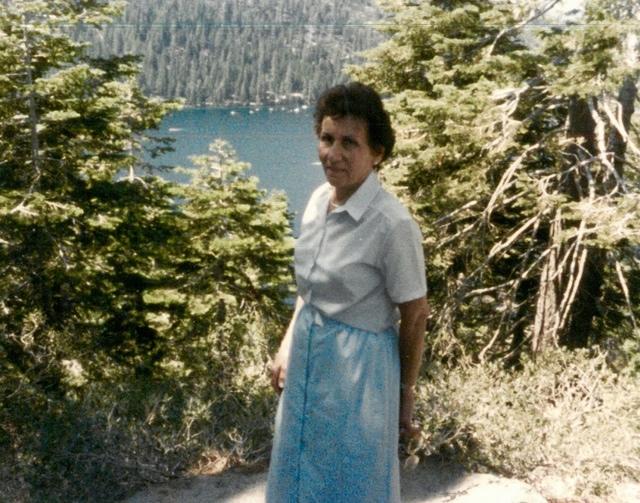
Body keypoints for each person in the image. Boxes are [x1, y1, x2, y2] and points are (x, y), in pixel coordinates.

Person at [266, 82, 428, 503]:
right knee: (299, 471)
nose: (333, 154)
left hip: (360, 373)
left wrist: (405, 397)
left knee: (349, 480)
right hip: (308, 355)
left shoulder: (392, 224)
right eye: (327, 138)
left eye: (350, 143)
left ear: (377, 153)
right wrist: (287, 345)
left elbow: (415, 314)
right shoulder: (319, 200)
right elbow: (311, 288)